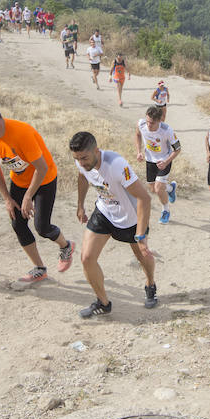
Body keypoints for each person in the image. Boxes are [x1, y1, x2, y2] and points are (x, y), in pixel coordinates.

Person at [0, 98, 75, 284]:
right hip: (19, 181)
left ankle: (66, 246)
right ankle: (39, 269)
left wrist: (28, 197)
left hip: (44, 179)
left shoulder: (21, 132)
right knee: (18, 223)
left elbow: (41, 168)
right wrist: (7, 198)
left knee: (42, 227)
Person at [70, 131, 157, 318]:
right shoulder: (81, 161)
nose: (81, 163)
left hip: (130, 217)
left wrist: (141, 236)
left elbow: (144, 198)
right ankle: (103, 303)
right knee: (86, 258)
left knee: (142, 255)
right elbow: (83, 176)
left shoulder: (116, 165)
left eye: (84, 158)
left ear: (96, 150)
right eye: (77, 159)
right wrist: (80, 206)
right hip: (104, 212)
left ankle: (150, 284)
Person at [135, 105, 181, 224]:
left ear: (159, 121)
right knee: (153, 188)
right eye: (148, 121)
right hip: (150, 160)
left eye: (152, 123)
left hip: (164, 161)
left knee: (158, 188)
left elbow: (178, 149)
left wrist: (166, 162)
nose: (149, 125)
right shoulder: (141, 124)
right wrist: (139, 152)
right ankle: (170, 188)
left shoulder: (167, 130)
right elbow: (138, 135)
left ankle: (165, 211)